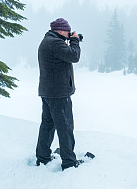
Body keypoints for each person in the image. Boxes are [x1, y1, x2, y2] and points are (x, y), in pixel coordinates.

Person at [36, 18, 82, 171]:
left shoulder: (49, 41)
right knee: (65, 127)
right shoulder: (54, 43)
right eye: (67, 31)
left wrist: (72, 40)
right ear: (60, 30)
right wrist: (75, 41)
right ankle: (69, 162)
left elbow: (65, 54)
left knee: (48, 125)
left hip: (49, 92)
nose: (69, 33)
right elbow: (74, 56)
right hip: (58, 94)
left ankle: (42, 157)